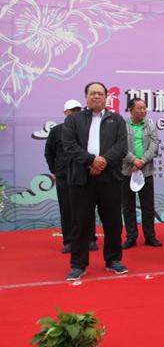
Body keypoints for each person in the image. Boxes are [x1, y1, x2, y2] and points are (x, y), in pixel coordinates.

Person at [62, 82, 128, 281]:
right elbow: (69, 146)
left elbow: (122, 146)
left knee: (113, 223)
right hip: (82, 179)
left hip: (110, 179)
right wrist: (91, 160)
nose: (96, 97)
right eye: (93, 93)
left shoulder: (116, 120)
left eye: (100, 93)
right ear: (86, 97)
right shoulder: (73, 119)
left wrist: (103, 161)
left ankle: (113, 260)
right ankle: (78, 264)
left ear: (106, 97)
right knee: (80, 224)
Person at [45, 99, 98, 253]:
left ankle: (90, 239)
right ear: (65, 112)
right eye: (71, 111)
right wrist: (54, 170)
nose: (75, 113)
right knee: (66, 209)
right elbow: (49, 152)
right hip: (64, 176)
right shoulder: (56, 131)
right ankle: (69, 241)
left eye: (77, 110)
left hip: (85, 174)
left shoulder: (87, 129)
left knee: (87, 208)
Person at [121, 98, 161, 249]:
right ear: (130, 109)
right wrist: (133, 160)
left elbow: (155, 144)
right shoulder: (123, 125)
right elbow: (120, 146)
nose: (143, 111)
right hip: (127, 171)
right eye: (139, 108)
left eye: (144, 108)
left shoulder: (150, 124)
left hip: (146, 170)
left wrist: (142, 161)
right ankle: (131, 236)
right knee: (128, 206)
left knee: (148, 206)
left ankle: (150, 236)